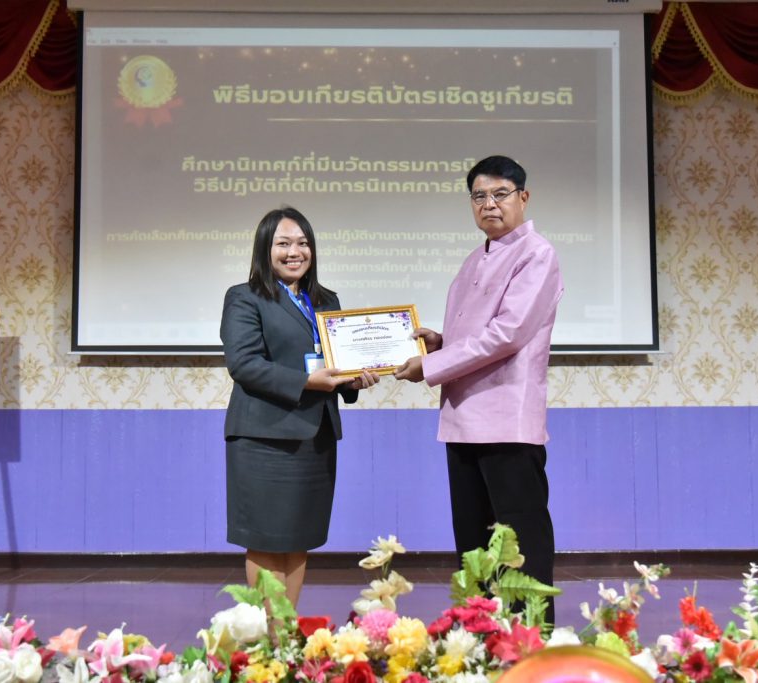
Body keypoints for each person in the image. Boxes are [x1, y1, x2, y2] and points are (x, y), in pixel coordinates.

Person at [394, 155, 563, 621]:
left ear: (523, 197)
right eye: (479, 196)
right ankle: (480, 639)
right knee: (473, 544)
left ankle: (531, 640)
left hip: (507, 420)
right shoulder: (476, 256)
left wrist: (431, 366)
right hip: (463, 418)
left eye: (500, 194)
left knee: (519, 544)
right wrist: (440, 343)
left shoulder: (537, 254)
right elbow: (476, 335)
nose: (489, 204)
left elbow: (508, 334)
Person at [221, 206, 379, 607]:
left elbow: (338, 362)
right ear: (265, 249)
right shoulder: (245, 297)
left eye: (303, 243)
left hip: (316, 437)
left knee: (299, 537)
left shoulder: (325, 300)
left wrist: (354, 379)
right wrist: (307, 381)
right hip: (265, 439)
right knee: (266, 539)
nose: (295, 252)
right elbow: (244, 364)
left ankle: (286, 629)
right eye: (284, 243)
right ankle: (266, 632)